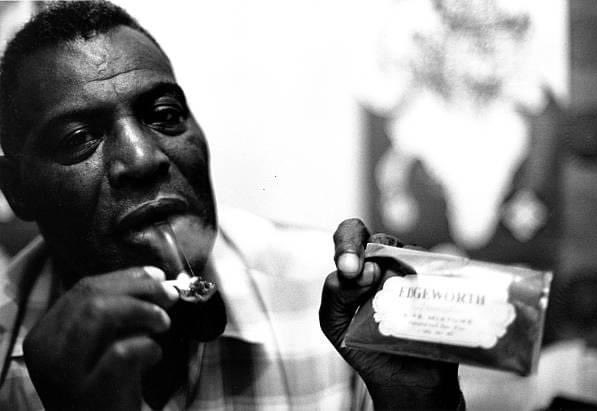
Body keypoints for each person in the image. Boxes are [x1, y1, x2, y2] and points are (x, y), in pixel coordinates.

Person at [0, 1, 463, 410]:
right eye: (79, 139)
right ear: (16, 189)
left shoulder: (335, 308)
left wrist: (419, 403)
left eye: (164, 116)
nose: (142, 159)